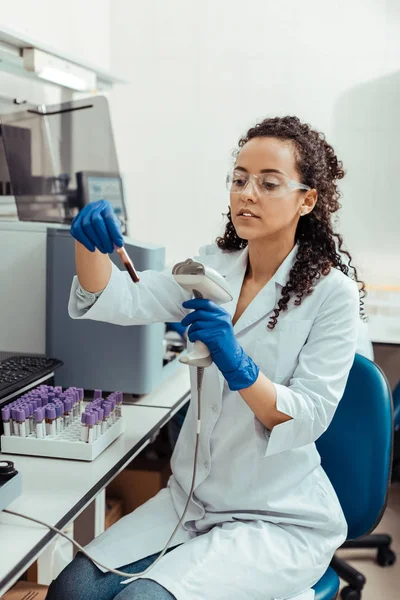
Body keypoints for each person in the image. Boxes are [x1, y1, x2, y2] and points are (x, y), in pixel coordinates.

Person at [46, 116, 364, 600]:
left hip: (275, 517)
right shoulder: (212, 268)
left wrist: (239, 365)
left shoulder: (332, 295)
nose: (247, 193)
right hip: (190, 502)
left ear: (308, 200)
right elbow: (119, 297)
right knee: (71, 591)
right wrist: (87, 245)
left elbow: (309, 416)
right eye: (239, 179)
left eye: (268, 183)